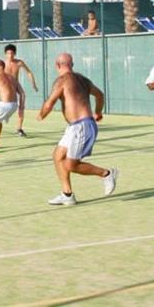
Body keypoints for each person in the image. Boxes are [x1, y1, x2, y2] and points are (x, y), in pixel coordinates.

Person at [37, 53, 117, 206]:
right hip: (75, 127)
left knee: (71, 165)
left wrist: (42, 114)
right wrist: (98, 112)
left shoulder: (61, 81)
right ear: (72, 64)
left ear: (57, 65)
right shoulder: (83, 79)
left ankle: (106, 174)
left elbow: (50, 102)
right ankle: (67, 194)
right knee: (58, 156)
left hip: (81, 126)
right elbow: (100, 95)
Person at [3, 44, 38, 137]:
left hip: (16, 84)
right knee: (6, 105)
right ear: (5, 54)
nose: (10, 55)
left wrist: (33, 84)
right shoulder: (3, 64)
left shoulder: (19, 63)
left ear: (14, 54)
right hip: (6, 86)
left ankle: (19, 128)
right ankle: (1, 119)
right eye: (8, 53)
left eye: (12, 53)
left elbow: (29, 72)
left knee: (22, 96)